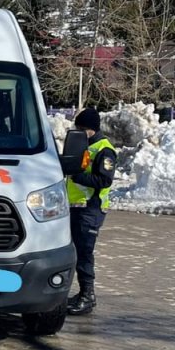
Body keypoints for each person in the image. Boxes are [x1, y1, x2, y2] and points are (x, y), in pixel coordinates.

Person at [65, 107, 116, 316]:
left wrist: (77, 176)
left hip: (91, 209)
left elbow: (104, 180)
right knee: (76, 252)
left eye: (80, 127)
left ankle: (88, 296)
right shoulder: (85, 145)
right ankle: (82, 294)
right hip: (77, 208)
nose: (77, 130)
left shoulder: (105, 150)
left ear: (90, 129)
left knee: (85, 253)